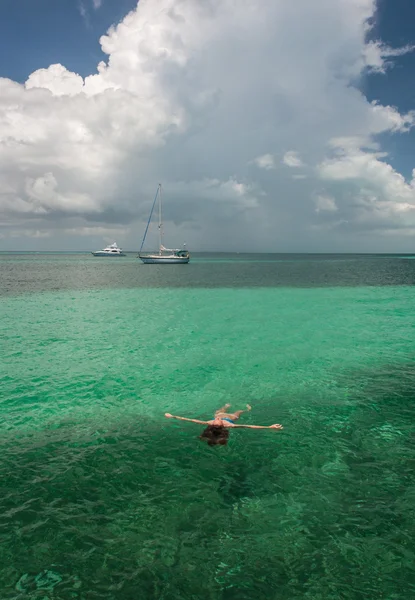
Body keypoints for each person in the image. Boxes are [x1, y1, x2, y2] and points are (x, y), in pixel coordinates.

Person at [164, 403, 283, 446]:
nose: (216, 419)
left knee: (218, 411)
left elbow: (189, 419)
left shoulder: (209, 422)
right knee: (237, 413)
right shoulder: (228, 425)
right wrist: (269, 427)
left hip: (224, 414)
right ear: (221, 424)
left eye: (215, 419)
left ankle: (227, 406)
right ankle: (246, 409)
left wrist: (173, 416)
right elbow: (249, 426)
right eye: (217, 419)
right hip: (232, 418)